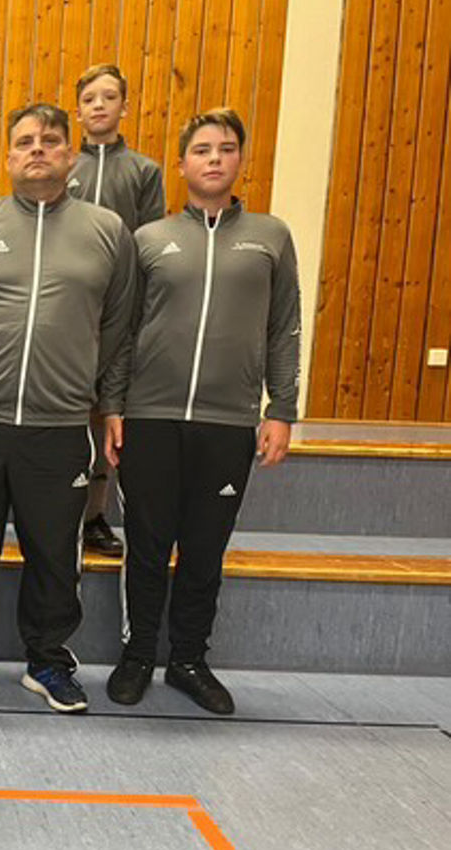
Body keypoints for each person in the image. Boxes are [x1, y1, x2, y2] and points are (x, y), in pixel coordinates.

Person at [0, 104, 136, 712]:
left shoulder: (107, 230)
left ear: (69, 154)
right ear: (9, 156)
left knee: (54, 551)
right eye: (24, 141)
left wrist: (80, 373)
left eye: (49, 140)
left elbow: (118, 321)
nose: (37, 149)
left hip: (60, 424)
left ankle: (48, 661)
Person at [103, 108, 300, 715]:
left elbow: (284, 327)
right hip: (150, 417)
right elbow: (123, 331)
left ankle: (189, 659)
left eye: (226, 148)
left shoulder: (270, 237)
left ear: (241, 159)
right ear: (183, 164)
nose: (215, 158)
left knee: (205, 549)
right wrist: (113, 404)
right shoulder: (149, 240)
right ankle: (138, 655)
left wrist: (282, 408)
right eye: (203, 150)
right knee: (146, 545)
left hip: (229, 423)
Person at [68, 62, 167, 558]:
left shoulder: (144, 172)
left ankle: (95, 514)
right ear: (78, 111)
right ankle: (61, 508)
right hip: (69, 309)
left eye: (109, 97)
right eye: (90, 99)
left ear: (124, 107)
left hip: (119, 311)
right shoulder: (66, 166)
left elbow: (150, 243)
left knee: (106, 412)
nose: (99, 106)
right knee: (69, 408)